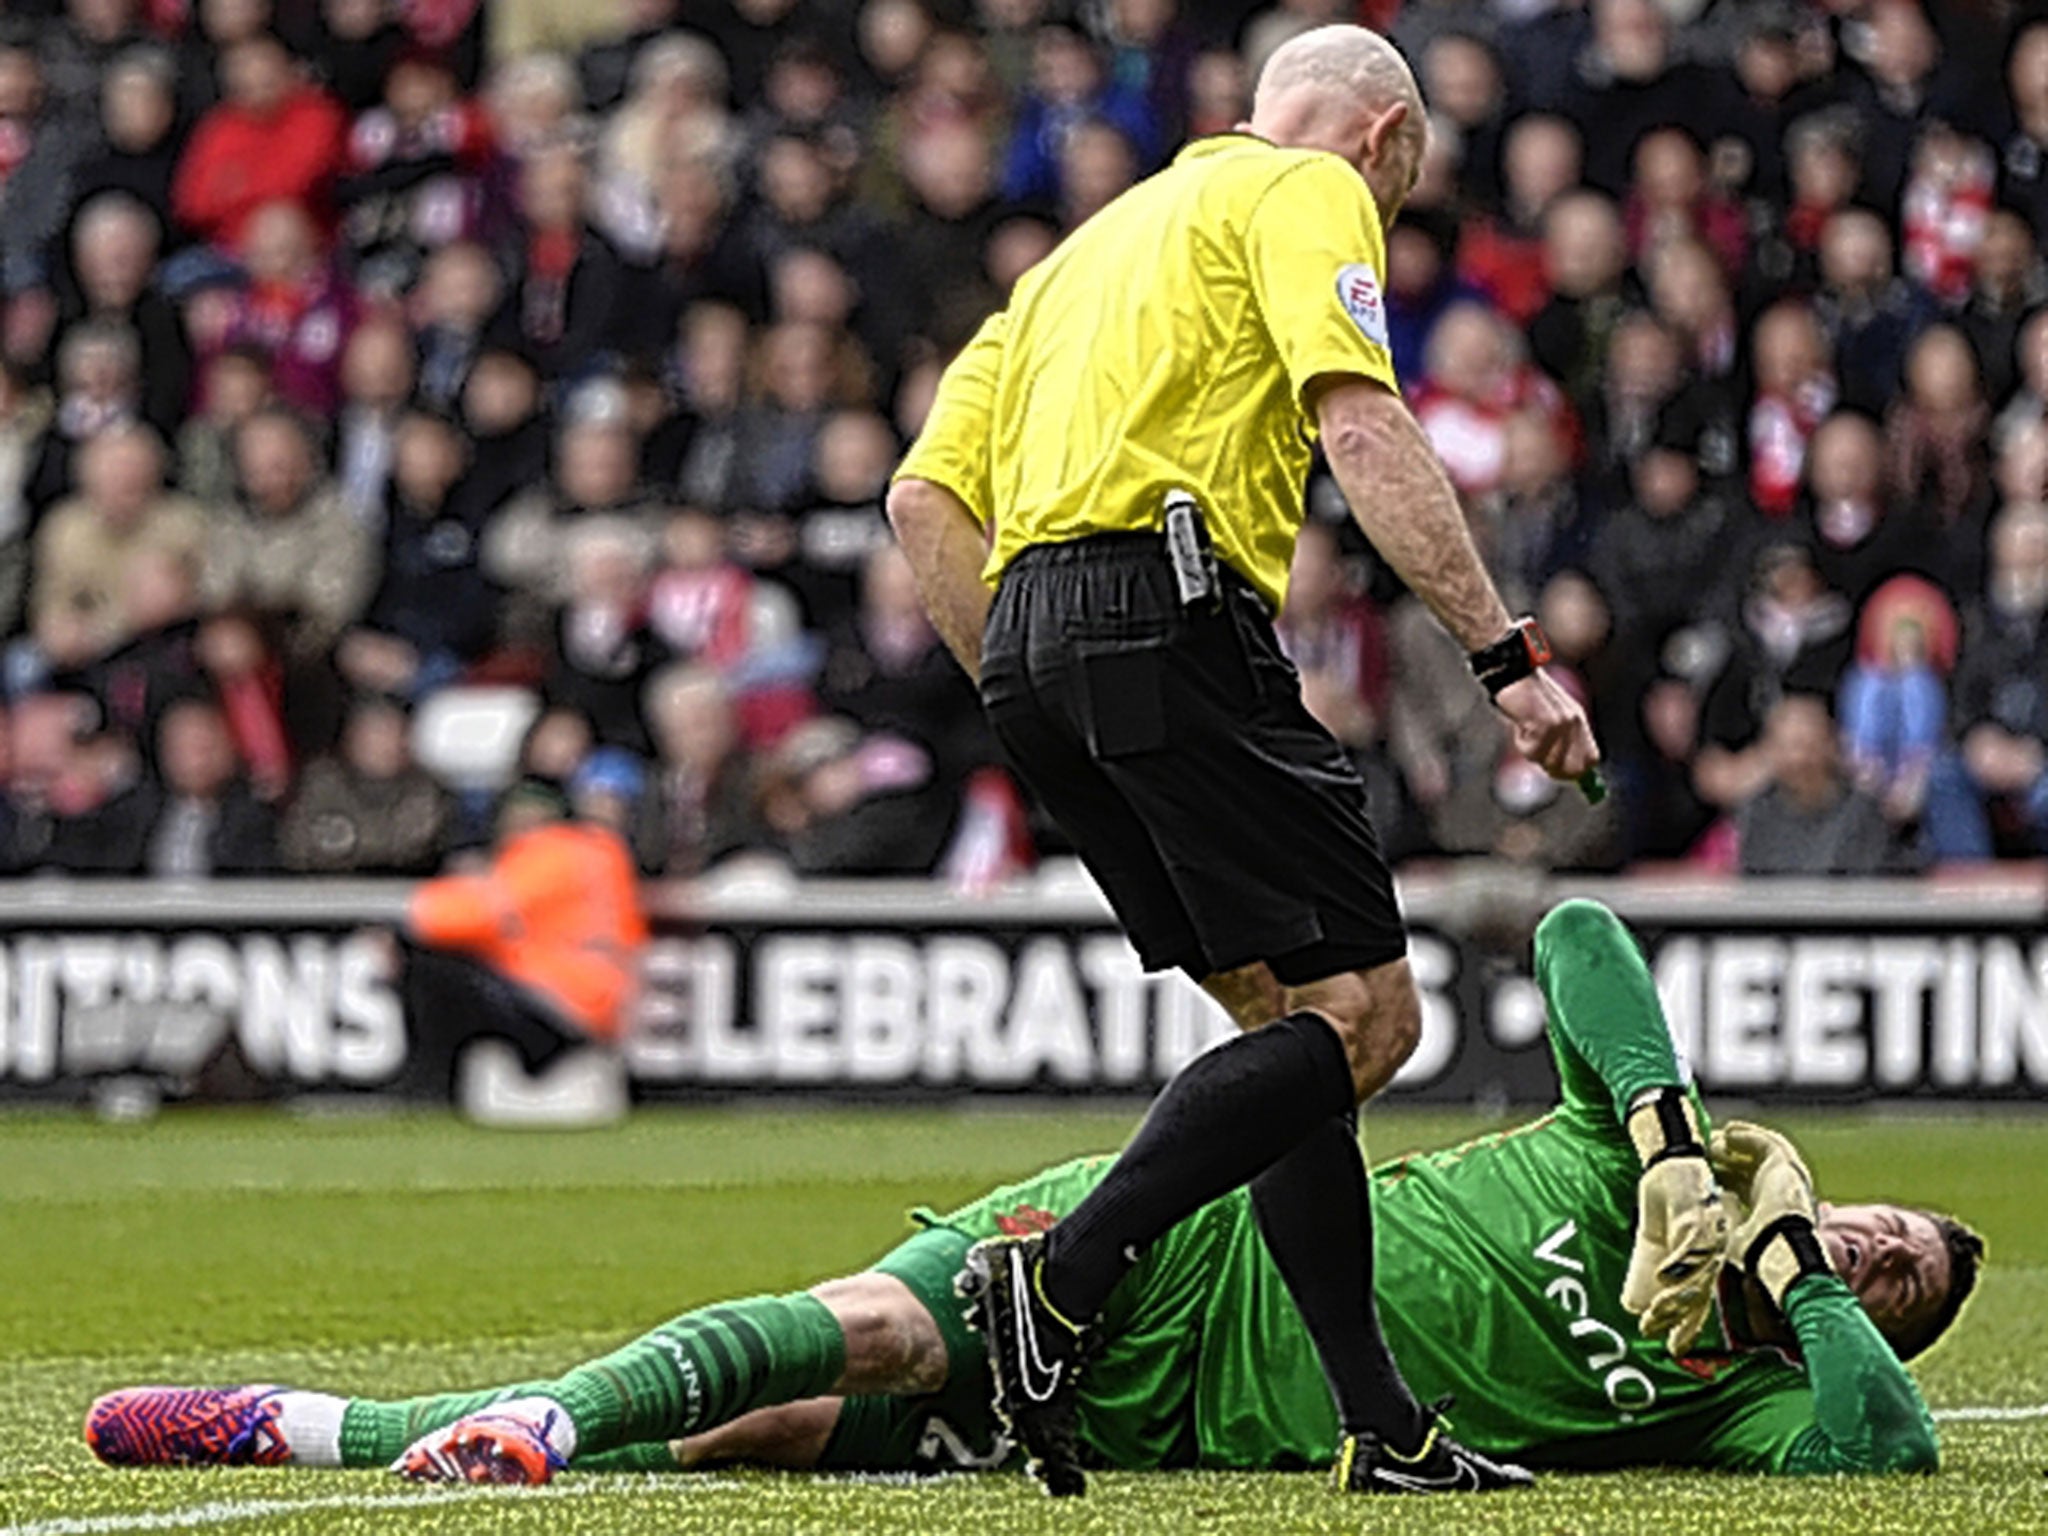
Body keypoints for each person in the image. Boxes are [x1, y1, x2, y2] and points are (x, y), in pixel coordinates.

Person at [84, 900, 1978, 1486]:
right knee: (878, 1324)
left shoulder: (1745, 1392)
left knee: (761, 1435)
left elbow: (1887, 1459)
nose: (1879, 1253)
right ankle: (544, 1419)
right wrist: (1666, 1141)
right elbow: (1578, 930)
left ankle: (300, 1422)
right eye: (1886, 1225)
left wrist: (1809, 1274)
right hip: (1182, 1241)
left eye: (1901, 1276)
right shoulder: (1625, 1158)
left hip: (1170, 1425)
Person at [884, 25, 1598, 1496]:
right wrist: (1505, 664)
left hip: (1033, 642)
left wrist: (1036, 692)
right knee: (1374, 1021)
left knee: (1291, 1019)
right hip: (1172, 607)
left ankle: (1380, 1426)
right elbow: (1360, 415)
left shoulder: (1082, 255)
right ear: (1386, 137)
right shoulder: (1308, 186)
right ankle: (1064, 1280)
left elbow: (919, 503)